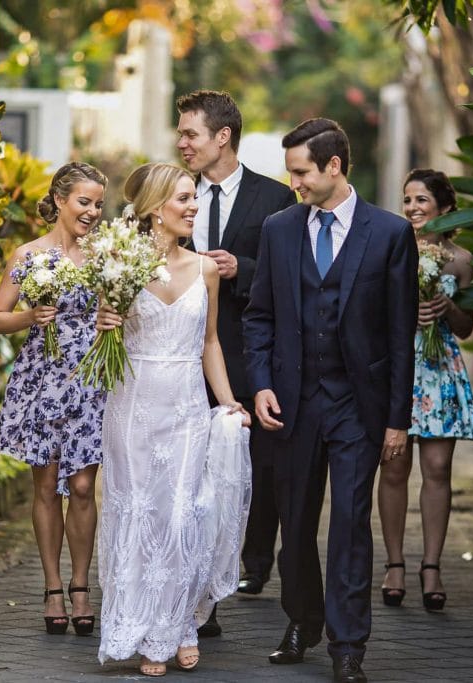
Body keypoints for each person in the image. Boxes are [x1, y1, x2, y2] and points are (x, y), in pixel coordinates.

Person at [242, 118, 417, 683]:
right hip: (292, 402)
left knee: (348, 522)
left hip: (357, 407)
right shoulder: (279, 228)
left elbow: (399, 336)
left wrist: (397, 421)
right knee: (293, 522)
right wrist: (262, 382)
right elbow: (260, 315)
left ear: (334, 166)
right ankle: (303, 619)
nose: (293, 182)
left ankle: (348, 646)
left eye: (301, 172)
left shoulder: (389, 233)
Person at [95, 162, 252, 677]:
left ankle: (178, 625)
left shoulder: (206, 268)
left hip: (186, 407)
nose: (192, 207)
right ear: (153, 208)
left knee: (184, 515)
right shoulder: (119, 264)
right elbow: (103, 345)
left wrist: (228, 402)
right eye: (182, 198)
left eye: (194, 198)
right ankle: (137, 625)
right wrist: (105, 324)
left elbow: (210, 343)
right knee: (137, 514)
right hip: (131, 404)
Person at [175, 90, 296, 630]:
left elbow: (290, 278)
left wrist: (239, 270)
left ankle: (254, 562)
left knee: (257, 473)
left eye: (190, 134)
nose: (182, 144)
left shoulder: (275, 198)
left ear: (222, 136)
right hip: (182, 359)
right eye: (180, 134)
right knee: (197, 479)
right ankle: (204, 603)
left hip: (249, 356)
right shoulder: (174, 195)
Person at [0, 162, 107, 637]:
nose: (92, 212)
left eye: (98, 204)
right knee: (46, 486)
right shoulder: (30, 254)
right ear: (59, 201)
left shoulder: (106, 256)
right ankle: (52, 586)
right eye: (84, 202)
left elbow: (120, 308)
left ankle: (81, 586)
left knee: (81, 487)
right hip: (44, 380)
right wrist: (31, 316)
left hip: (91, 381)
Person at [377, 168, 473, 612]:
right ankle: (395, 563)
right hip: (399, 369)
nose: (412, 208)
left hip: (440, 370)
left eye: (421, 200)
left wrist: (447, 307)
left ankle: (432, 566)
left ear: (443, 207)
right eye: (407, 200)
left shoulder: (461, 260)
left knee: (438, 467)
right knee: (395, 466)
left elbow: (467, 328)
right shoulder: (388, 250)